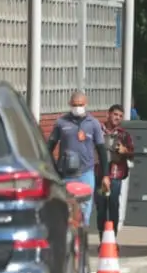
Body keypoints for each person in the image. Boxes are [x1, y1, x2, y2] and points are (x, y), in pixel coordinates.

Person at [46, 91, 107, 226]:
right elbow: (49, 148)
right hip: (66, 174)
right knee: (66, 210)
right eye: (74, 105)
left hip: (86, 173)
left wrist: (105, 175)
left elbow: (101, 150)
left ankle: (83, 232)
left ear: (86, 104)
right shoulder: (61, 122)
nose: (77, 107)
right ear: (69, 104)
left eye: (80, 105)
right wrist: (55, 168)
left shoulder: (93, 124)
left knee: (85, 209)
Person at [97, 104, 134, 233]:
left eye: (120, 116)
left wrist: (125, 151)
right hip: (99, 173)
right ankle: (102, 237)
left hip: (116, 174)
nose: (117, 118)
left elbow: (133, 153)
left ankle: (113, 236)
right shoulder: (98, 131)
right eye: (115, 114)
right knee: (101, 206)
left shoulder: (124, 135)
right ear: (108, 114)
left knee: (113, 204)